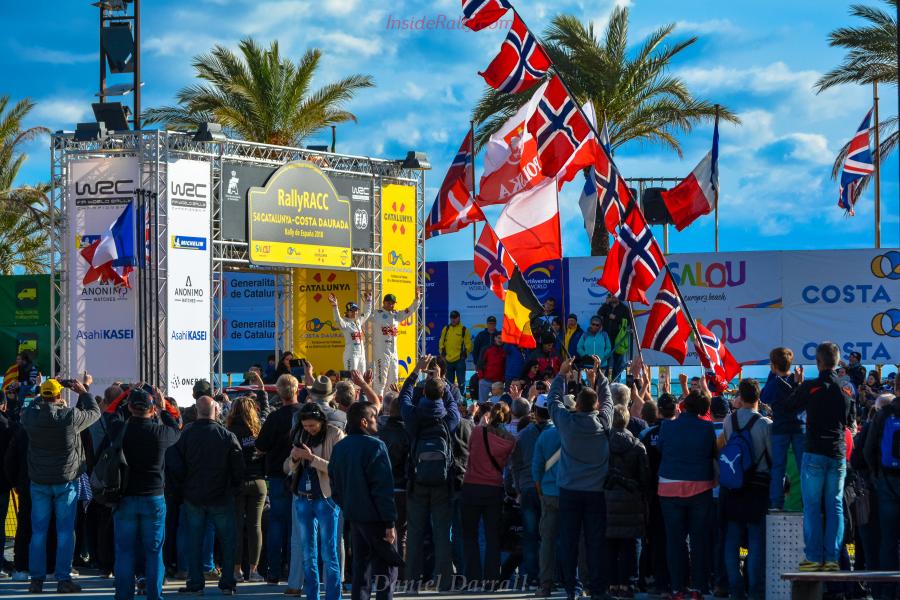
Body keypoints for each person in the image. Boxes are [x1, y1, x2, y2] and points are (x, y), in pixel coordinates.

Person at [21, 378, 99, 594]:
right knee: (65, 532)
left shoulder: (31, 417)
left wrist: (43, 392)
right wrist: (83, 392)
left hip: (40, 481)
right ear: (59, 396)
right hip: (65, 481)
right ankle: (63, 579)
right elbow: (95, 412)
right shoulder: (69, 417)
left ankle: (36, 580)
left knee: (38, 533)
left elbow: (31, 406)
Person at [546, 356, 614, 600]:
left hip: (569, 490)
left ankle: (572, 589)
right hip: (596, 492)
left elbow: (553, 401)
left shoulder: (567, 422)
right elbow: (608, 400)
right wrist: (599, 376)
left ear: (577, 405)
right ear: (595, 407)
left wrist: (561, 375)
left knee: (569, 541)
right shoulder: (604, 423)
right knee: (596, 542)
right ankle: (598, 589)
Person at [105, 387, 180, 600]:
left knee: (125, 551)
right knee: (154, 551)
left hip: (125, 496)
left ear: (130, 407)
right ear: (152, 409)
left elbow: (110, 413)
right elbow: (176, 428)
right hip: (153, 497)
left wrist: (126, 394)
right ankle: (154, 595)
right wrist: (163, 407)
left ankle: (124, 595)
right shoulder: (161, 433)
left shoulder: (121, 430)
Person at [785, 342, 852, 571]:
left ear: (818, 362)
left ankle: (813, 557)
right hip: (837, 453)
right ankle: (832, 558)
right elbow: (850, 420)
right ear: (837, 361)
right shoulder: (845, 389)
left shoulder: (811, 386)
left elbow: (790, 406)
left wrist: (798, 385)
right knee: (835, 506)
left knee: (812, 506)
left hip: (814, 451)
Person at [169, 395, 244, 595]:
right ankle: (227, 583)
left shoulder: (186, 434)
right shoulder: (226, 435)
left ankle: (195, 582)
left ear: (196, 410)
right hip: (221, 496)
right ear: (216, 410)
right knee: (228, 540)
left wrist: (183, 487)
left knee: (194, 540)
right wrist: (233, 488)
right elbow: (238, 468)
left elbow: (174, 463)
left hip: (193, 495)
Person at [398, 355, 460, 591]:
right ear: (443, 394)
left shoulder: (413, 416)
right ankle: (444, 580)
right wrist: (441, 382)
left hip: (418, 479)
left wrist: (416, 371)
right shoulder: (448, 418)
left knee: (414, 532)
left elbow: (404, 396)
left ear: (423, 393)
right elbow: (453, 402)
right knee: (442, 533)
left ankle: (412, 581)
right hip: (443, 481)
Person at [328, 401, 401, 600]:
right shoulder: (376, 446)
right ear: (363, 422)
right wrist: (389, 523)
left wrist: (348, 506)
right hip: (376, 517)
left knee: (361, 569)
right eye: (373, 417)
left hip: (355, 516)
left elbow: (334, 484)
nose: (377, 420)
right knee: (386, 570)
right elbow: (383, 488)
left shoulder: (340, 447)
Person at [657, 389, 718, 598]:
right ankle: (698, 587)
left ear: (684, 405)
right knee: (699, 540)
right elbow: (712, 452)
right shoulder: (707, 428)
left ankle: (677, 587)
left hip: (669, 486)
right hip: (700, 486)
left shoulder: (667, 426)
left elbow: (661, 448)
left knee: (675, 541)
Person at [285, 403, 346, 600]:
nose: (309, 429)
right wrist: (295, 459)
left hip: (326, 499)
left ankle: (333, 596)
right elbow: (288, 467)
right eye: (305, 426)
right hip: (303, 497)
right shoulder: (300, 434)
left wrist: (311, 458)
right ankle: (312, 596)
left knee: (329, 552)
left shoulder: (335, 434)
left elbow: (338, 468)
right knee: (307, 553)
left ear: (321, 421)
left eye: (312, 425)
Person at [720, 379, 772, 600]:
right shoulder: (765, 424)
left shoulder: (729, 420)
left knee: (731, 540)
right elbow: (772, 458)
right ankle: (756, 590)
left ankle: (736, 588)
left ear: (740, 396)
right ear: (758, 397)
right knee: (756, 541)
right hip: (758, 487)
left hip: (733, 486)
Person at [461, 402, 516, 587]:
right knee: (493, 536)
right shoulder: (509, 441)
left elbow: (470, 449)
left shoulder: (478, 432)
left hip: (472, 486)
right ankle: (492, 578)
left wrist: (482, 422)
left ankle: (473, 577)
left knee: (470, 535)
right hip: (494, 488)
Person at [255, 374, 303, 584]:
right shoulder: (305, 413)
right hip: (301, 473)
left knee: (277, 522)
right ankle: (293, 570)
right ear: (296, 390)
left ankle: (274, 570)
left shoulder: (274, 417)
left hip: (277, 474)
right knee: (296, 524)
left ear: (279, 392)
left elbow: (261, 446)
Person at [605, 405, 651, 599]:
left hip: (608, 499)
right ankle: (628, 583)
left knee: (609, 544)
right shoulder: (638, 446)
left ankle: (611, 583)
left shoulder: (603, 443)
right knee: (630, 545)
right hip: (631, 500)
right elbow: (645, 477)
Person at [511, 403, 553, 588]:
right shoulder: (558, 433)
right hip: (550, 488)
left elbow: (515, 464)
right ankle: (551, 575)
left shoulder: (523, 435)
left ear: (535, 412)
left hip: (528, 488)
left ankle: (533, 576)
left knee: (530, 535)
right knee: (551, 533)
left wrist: (518, 489)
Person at [639, 393, 677, 595]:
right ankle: (677, 580)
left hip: (653, 493)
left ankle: (658, 579)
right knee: (677, 537)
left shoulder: (647, 434)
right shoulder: (679, 432)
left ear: (659, 411)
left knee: (656, 538)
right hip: (677, 491)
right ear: (676, 409)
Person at [225, 396, 267, 583]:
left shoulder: (229, 432)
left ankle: (237, 570)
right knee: (255, 526)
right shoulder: (258, 431)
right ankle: (254, 570)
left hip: (237, 483)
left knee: (237, 526)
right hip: (258, 481)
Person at [863, 392, 900, 599]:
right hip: (888, 480)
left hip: (887, 484)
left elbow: (868, 450)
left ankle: (888, 592)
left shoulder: (883, 414)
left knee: (888, 540)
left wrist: (877, 475)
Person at [531, 394, 567, 598]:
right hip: (570, 492)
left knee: (547, 541)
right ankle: (574, 581)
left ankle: (546, 583)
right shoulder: (572, 432)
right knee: (572, 540)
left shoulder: (545, 436)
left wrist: (541, 491)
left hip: (549, 493)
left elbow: (536, 468)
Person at [762, 347, 803, 510]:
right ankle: (806, 501)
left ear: (773, 365)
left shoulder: (774, 383)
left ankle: (776, 503)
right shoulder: (797, 380)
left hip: (780, 429)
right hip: (799, 428)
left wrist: (772, 374)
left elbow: (764, 397)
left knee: (778, 467)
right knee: (802, 466)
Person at [376, 392, 410, 559]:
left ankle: (386, 570)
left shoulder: (379, 432)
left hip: (383, 488)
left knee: (384, 534)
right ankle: (401, 571)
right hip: (403, 488)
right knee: (402, 534)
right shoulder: (408, 432)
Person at [372, 290, 422, 396]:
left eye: (393, 303)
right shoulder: (377, 314)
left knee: (394, 378)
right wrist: (368, 301)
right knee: (381, 379)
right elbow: (364, 316)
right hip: (381, 352)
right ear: (384, 302)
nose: (391, 305)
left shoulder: (396, 315)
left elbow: (410, 310)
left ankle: (392, 401)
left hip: (393, 352)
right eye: (389, 302)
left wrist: (417, 299)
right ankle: (377, 402)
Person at [329, 292, 373, 372]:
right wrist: (335, 306)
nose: (355, 312)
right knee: (351, 377)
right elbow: (337, 319)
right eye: (352, 311)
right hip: (351, 355)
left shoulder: (358, 321)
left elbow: (367, 313)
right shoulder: (345, 323)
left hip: (361, 355)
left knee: (362, 378)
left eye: (356, 310)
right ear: (347, 312)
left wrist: (368, 301)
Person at [596, 295, 631, 381]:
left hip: (619, 338)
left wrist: (616, 318)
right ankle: (605, 381)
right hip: (607, 338)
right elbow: (599, 313)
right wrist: (605, 304)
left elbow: (629, 321)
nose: (613, 298)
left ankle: (616, 381)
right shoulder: (606, 306)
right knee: (606, 361)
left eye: (614, 296)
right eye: (611, 296)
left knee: (618, 361)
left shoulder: (624, 308)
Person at [439, 310, 473, 389]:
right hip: (447, 360)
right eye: (452, 318)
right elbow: (441, 342)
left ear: (459, 318)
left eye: (455, 318)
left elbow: (469, 345)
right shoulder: (446, 329)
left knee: (461, 382)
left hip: (459, 360)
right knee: (448, 383)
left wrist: (465, 354)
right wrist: (442, 352)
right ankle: (450, 396)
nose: (453, 319)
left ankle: (462, 397)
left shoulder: (464, 329)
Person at [477, 333, 506, 404]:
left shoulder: (505, 350)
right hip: (486, 381)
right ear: (495, 338)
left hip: (498, 382)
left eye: (502, 338)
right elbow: (480, 363)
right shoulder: (486, 349)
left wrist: (502, 380)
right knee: (483, 403)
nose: (500, 340)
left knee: (497, 404)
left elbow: (505, 366)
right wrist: (481, 378)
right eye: (499, 338)